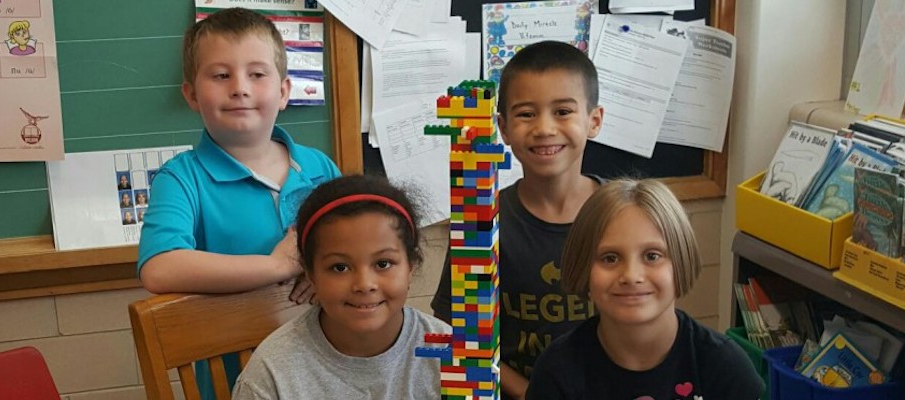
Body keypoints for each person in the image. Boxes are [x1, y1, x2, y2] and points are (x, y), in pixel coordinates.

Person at [137, 7, 340, 398]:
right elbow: (159, 268)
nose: (240, 87)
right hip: (234, 382)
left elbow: (357, 248)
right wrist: (277, 265)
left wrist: (326, 272)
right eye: (220, 75)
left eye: (257, 74)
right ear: (192, 94)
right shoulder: (182, 178)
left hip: (326, 375)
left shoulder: (320, 167)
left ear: (283, 91)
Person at [430, 40, 604, 400]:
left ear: (593, 121)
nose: (544, 128)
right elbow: (461, 335)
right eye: (526, 114)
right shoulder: (481, 223)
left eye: (562, 111)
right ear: (504, 129)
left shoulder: (623, 217)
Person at [525, 179, 764, 399]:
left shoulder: (725, 368)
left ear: (680, 262)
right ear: (584, 268)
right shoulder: (556, 373)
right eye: (610, 258)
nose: (631, 276)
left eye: (652, 256)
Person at [234, 175, 450, 399]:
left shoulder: (445, 353)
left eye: (383, 264)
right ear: (311, 275)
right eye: (339, 267)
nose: (364, 285)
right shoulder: (272, 373)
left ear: (410, 267)